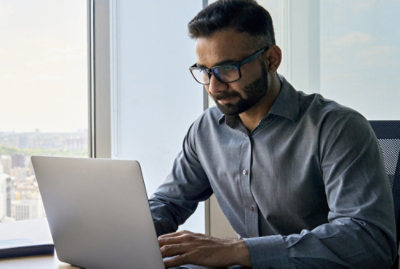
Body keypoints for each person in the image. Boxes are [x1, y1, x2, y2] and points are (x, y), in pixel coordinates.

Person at [149, 0, 397, 268]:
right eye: (205, 71)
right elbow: (168, 203)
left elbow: (368, 240)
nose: (214, 86)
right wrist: (124, 231)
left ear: (271, 60)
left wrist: (240, 250)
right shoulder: (206, 130)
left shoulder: (338, 128)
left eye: (228, 69)